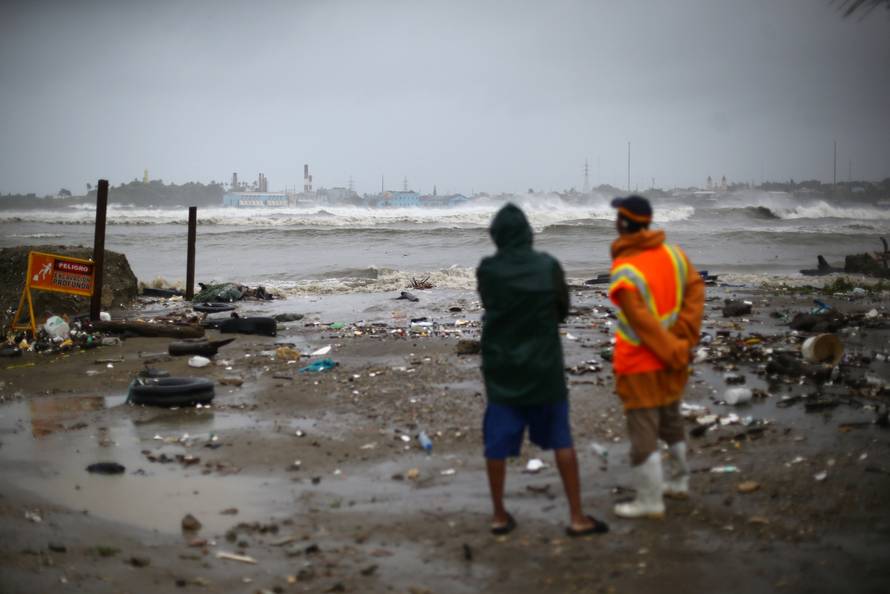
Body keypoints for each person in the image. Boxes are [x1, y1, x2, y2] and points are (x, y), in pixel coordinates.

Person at [477, 203, 608, 537]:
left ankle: (498, 516)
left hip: (502, 369)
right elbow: (562, 307)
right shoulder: (548, 266)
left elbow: (489, 303)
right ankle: (577, 517)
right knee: (561, 440)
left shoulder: (488, 270)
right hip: (544, 368)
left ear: (497, 235)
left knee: (497, 443)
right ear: (527, 233)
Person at [607, 195, 705, 519]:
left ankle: (649, 501)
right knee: (670, 419)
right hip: (673, 359)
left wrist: (671, 348)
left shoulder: (626, 269)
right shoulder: (675, 255)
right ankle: (679, 480)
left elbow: (642, 322)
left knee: (643, 430)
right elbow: (695, 292)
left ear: (624, 223)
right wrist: (683, 339)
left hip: (641, 363)